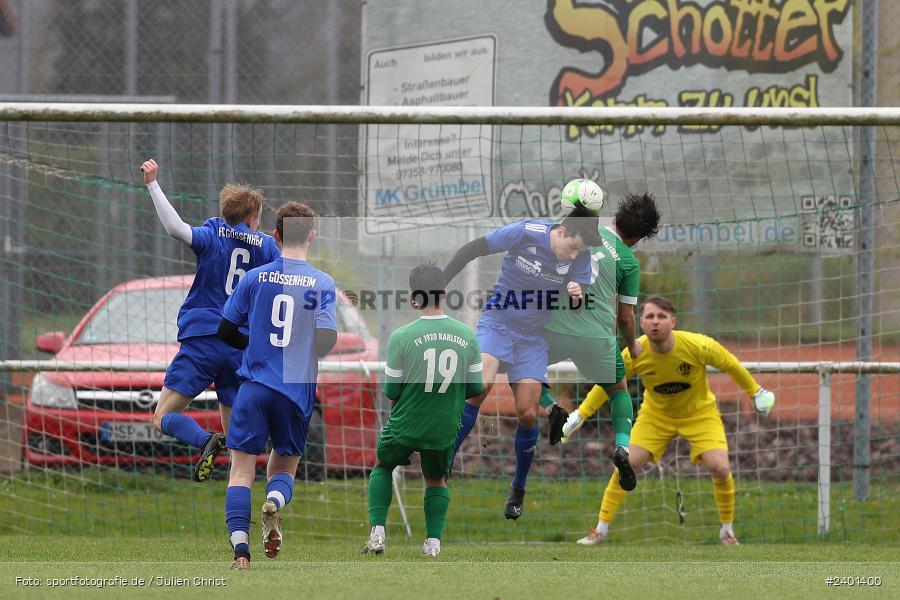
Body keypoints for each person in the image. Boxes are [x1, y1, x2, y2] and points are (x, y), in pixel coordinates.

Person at [563, 296, 776, 545]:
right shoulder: (634, 352)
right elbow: (608, 382)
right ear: (640, 322)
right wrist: (581, 413)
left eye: (662, 317)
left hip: (699, 415)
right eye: (650, 317)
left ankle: (727, 531)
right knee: (627, 464)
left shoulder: (697, 345)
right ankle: (600, 530)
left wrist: (756, 392)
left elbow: (730, 364)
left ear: (673, 322)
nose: (656, 322)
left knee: (720, 467)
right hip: (656, 416)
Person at [442, 206, 602, 520]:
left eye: (579, 252)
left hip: (532, 337)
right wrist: (440, 282)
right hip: (498, 320)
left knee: (528, 414)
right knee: (480, 386)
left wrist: (576, 294)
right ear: (562, 230)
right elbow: (472, 249)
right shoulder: (526, 231)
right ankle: (445, 459)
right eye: (572, 247)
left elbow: (577, 305)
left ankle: (518, 488)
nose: (573, 256)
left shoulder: (580, 259)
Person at [140, 159, 280, 482]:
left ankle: (204, 440)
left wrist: (153, 184)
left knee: (163, 416)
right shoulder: (269, 248)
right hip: (240, 348)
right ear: (252, 218)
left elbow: (176, 228)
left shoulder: (214, 234)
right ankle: (239, 525)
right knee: (239, 448)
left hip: (203, 338)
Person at [216, 202, 336, 570]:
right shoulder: (322, 282)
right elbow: (327, 340)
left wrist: (255, 345)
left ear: (275, 235)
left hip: (253, 387)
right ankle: (275, 504)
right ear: (312, 235)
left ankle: (240, 551)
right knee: (283, 468)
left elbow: (225, 331)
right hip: (294, 390)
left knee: (240, 470)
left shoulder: (255, 278)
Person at [541, 192, 661, 493]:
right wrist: (633, 345)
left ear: (615, 217)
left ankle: (550, 406)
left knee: (521, 367)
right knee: (618, 391)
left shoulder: (575, 232)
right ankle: (622, 446)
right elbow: (625, 315)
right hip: (596, 338)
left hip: (555, 328)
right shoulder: (628, 261)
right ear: (638, 236)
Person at [363, 263, 483, 558]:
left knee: (382, 465)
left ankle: (377, 533)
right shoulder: (466, 336)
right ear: (445, 294)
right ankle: (432, 544)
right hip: (443, 426)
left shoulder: (401, 336)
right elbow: (477, 386)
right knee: (435, 478)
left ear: (414, 298)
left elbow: (391, 391)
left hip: (406, 422)